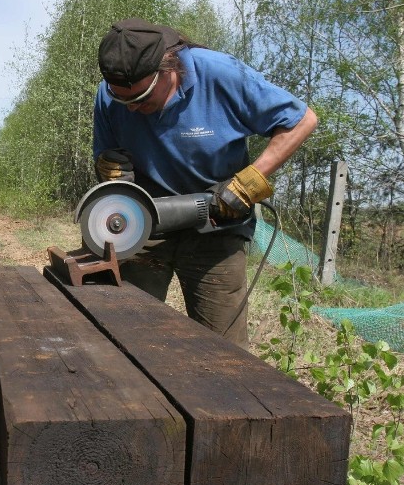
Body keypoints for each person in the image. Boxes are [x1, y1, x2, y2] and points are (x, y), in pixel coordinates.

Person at [93, 18, 318, 349]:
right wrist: (109, 169)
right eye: (125, 102)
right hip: (142, 223)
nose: (135, 109)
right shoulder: (111, 94)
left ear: (168, 69)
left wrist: (248, 183)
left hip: (218, 221)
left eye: (141, 99)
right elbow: (107, 154)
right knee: (125, 332)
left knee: (224, 352)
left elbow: (301, 120)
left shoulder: (220, 74)